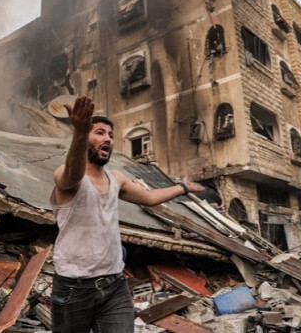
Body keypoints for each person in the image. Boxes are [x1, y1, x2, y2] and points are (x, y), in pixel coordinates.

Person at [50, 96, 204, 333]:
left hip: (114, 284)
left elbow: (150, 198)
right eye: (100, 133)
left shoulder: (116, 178)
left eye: (110, 135)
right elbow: (72, 173)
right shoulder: (66, 174)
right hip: (74, 288)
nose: (108, 139)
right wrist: (79, 132)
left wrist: (183, 187)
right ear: (85, 136)